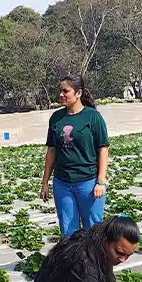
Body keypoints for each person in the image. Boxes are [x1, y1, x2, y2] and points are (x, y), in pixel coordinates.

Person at [40, 75, 110, 237]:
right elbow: (51, 151)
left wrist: (100, 181)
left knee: (93, 230)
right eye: (60, 91)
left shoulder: (93, 116)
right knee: (68, 231)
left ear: (78, 93)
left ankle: (93, 262)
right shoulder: (56, 118)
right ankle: (73, 262)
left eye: (66, 91)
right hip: (62, 183)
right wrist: (45, 182)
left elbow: (103, 149)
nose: (61, 95)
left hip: (88, 182)